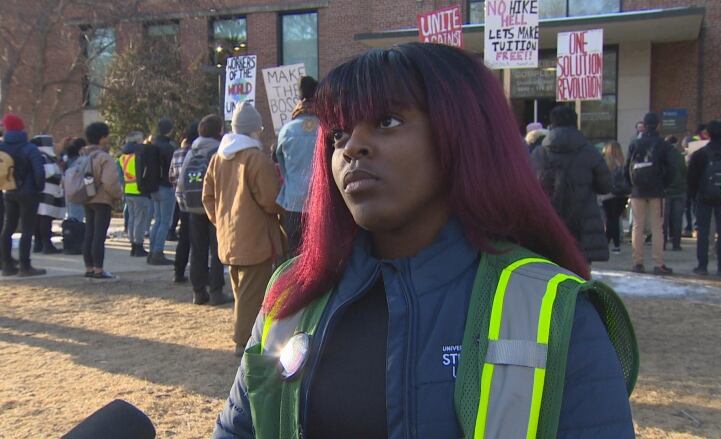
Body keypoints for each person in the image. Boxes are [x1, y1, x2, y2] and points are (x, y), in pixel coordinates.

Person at [213, 43, 637, 438]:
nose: (352, 147)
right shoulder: (293, 292)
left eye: (387, 121)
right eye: (339, 133)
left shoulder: (557, 310)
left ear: (463, 134)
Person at [204, 101, 283, 356]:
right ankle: (243, 342)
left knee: (241, 293)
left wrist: (220, 221)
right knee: (252, 295)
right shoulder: (255, 158)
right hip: (255, 238)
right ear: (254, 129)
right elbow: (271, 199)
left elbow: (207, 196)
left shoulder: (218, 157)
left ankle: (243, 337)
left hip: (228, 237)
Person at [531, 105, 612, 264]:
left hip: (550, 226)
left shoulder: (539, 153)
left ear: (552, 125)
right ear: (576, 123)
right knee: (581, 278)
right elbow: (606, 186)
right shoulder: (590, 152)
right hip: (582, 226)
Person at [177, 115, 229, 305]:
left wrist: (183, 205)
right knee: (217, 250)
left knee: (197, 249)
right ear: (218, 132)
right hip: (214, 206)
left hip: (193, 206)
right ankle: (216, 291)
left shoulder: (192, 151)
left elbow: (181, 181)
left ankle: (198, 291)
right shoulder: (219, 151)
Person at [625, 112, 675, 274]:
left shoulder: (635, 144)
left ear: (644, 126)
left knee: (637, 227)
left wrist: (630, 185)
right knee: (657, 227)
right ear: (658, 125)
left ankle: (637, 262)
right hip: (656, 190)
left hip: (637, 190)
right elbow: (670, 168)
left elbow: (627, 167)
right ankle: (658, 262)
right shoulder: (662, 144)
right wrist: (664, 184)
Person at [275, 76, 318, 256]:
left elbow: (282, 167)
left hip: (293, 203)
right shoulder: (327, 128)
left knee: (295, 255)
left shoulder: (287, 130)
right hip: (320, 202)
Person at [0, 114, 46, 276]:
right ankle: (25, 266)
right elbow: (39, 172)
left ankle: (7, 265)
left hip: (8, 190)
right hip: (29, 192)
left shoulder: (2, 146)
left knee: (7, 228)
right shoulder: (30, 148)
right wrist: (39, 188)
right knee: (27, 229)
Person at [688, 120, 721, 276]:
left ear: (707, 134)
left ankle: (702, 265)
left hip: (703, 196)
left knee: (703, 232)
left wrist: (694, 195)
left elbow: (692, 178)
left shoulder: (699, 154)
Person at [81, 122, 123, 279]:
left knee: (89, 233)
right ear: (102, 138)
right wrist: (118, 195)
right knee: (99, 235)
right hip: (103, 199)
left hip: (86, 197)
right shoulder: (104, 157)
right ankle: (99, 269)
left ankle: (89, 268)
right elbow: (110, 181)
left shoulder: (83, 155)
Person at [137, 118, 177, 265]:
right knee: (165, 221)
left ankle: (153, 250)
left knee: (158, 220)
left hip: (153, 186)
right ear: (170, 130)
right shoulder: (168, 148)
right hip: (166, 186)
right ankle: (158, 252)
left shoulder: (152, 146)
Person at [169, 122, 198, 284]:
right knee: (199, 242)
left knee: (184, 238)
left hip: (182, 201)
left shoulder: (177, 153)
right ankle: (199, 273)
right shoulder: (200, 152)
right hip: (199, 202)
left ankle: (178, 271)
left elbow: (171, 176)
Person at [30, 134, 66, 254]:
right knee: (46, 219)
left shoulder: (35, 155)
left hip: (40, 191)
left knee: (38, 218)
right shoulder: (44, 156)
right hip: (47, 191)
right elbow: (49, 172)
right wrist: (60, 176)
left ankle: (39, 244)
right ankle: (47, 245)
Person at [118, 131, 151, 257]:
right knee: (140, 220)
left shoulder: (122, 158)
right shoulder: (140, 156)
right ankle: (138, 245)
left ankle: (133, 244)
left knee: (132, 219)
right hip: (139, 191)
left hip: (128, 191)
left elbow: (121, 176)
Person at [601, 141, 630, 253]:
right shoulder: (623, 162)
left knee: (610, 219)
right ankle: (611, 243)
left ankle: (613, 244)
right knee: (615, 218)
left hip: (609, 194)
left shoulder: (605, 163)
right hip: (622, 194)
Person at [663, 135, 686, 251]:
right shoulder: (680, 157)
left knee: (664, 219)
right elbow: (684, 172)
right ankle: (676, 244)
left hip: (665, 190)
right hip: (679, 190)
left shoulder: (662, 156)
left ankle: (662, 244)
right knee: (677, 220)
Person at [63, 137, 87, 222]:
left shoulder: (67, 159)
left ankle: (71, 231)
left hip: (68, 190)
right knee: (78, 215)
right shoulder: (82, 161)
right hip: (79, 190)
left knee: (71, 214)